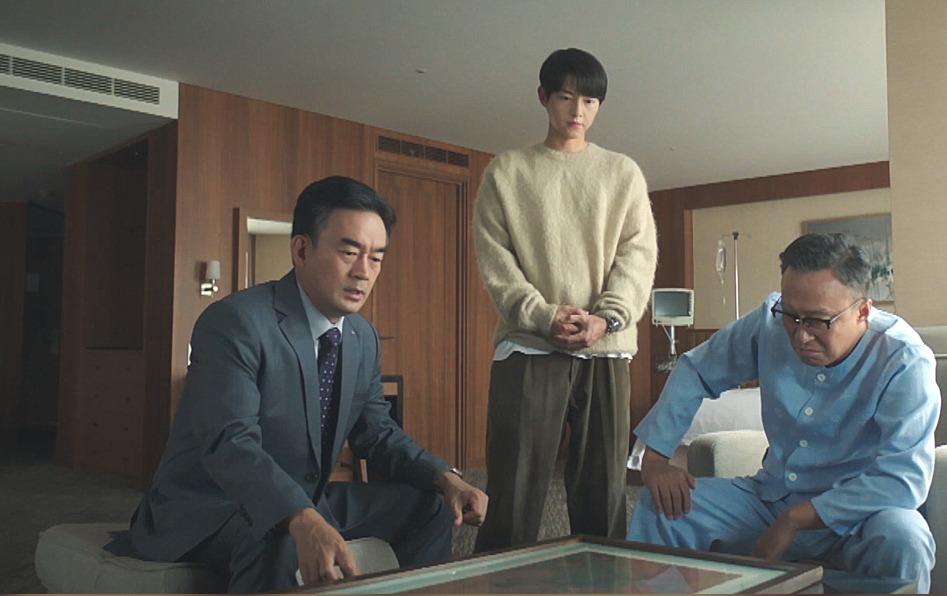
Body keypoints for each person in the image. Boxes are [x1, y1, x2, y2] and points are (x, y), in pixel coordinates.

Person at [128, 176, 488, 592]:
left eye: (376, 258)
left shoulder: (362, 337)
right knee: (281, 534)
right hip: (211, 506)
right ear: (301, 250)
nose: (363, 272)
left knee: (431, 508)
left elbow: (378, 434)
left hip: (308, 498)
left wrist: (445, 477)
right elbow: (230, 442)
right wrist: (298, 516)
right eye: (349, 253)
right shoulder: (236, 322)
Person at [628, 233, 940, 593]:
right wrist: (656, 459)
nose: (800, 336)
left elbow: (904, 479)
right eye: (792, 316)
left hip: (862, 515)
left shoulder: (904, 359)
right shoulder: (769, 322)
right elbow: (696, 370)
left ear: (863, 312)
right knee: (663, 506)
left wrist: (795, 519)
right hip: (771, 498)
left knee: (906, 538)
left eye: (818, 321)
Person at [472, 47, 658, 551]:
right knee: (514, 489)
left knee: (604, 491)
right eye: (566, 97)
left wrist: (608, 318)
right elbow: (496, 260)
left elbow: (638, 255)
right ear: (543, 97)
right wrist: (542, 315)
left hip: (606, 348)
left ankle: (604, 581)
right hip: (530, 346)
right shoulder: (508, 172)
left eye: (590, 101)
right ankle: (501, 582)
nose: (578, 111)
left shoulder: (622, 173)